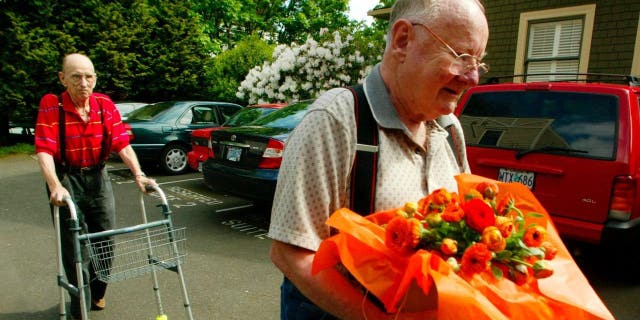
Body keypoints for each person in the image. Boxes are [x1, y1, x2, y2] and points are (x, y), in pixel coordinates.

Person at [268, 0, 489, 318]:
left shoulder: (450, 130)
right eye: (462, 56)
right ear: (403, 40)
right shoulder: (339, 118)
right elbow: (291, 253)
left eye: (478, 63)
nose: (472, 77)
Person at [35, 53, 156, 320]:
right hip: (67, 179)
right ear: (62, 78)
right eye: (76, 76)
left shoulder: (104, 104)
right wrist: (55, 185)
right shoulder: (52, 105)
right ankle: (80, 306)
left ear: (95, 78)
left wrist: (138, 174)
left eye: (89, 76)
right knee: (74, 247)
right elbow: (44, 150)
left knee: (105, 242)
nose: (83, 82)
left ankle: (97, 291)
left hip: (98, 178)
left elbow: (122, 143)